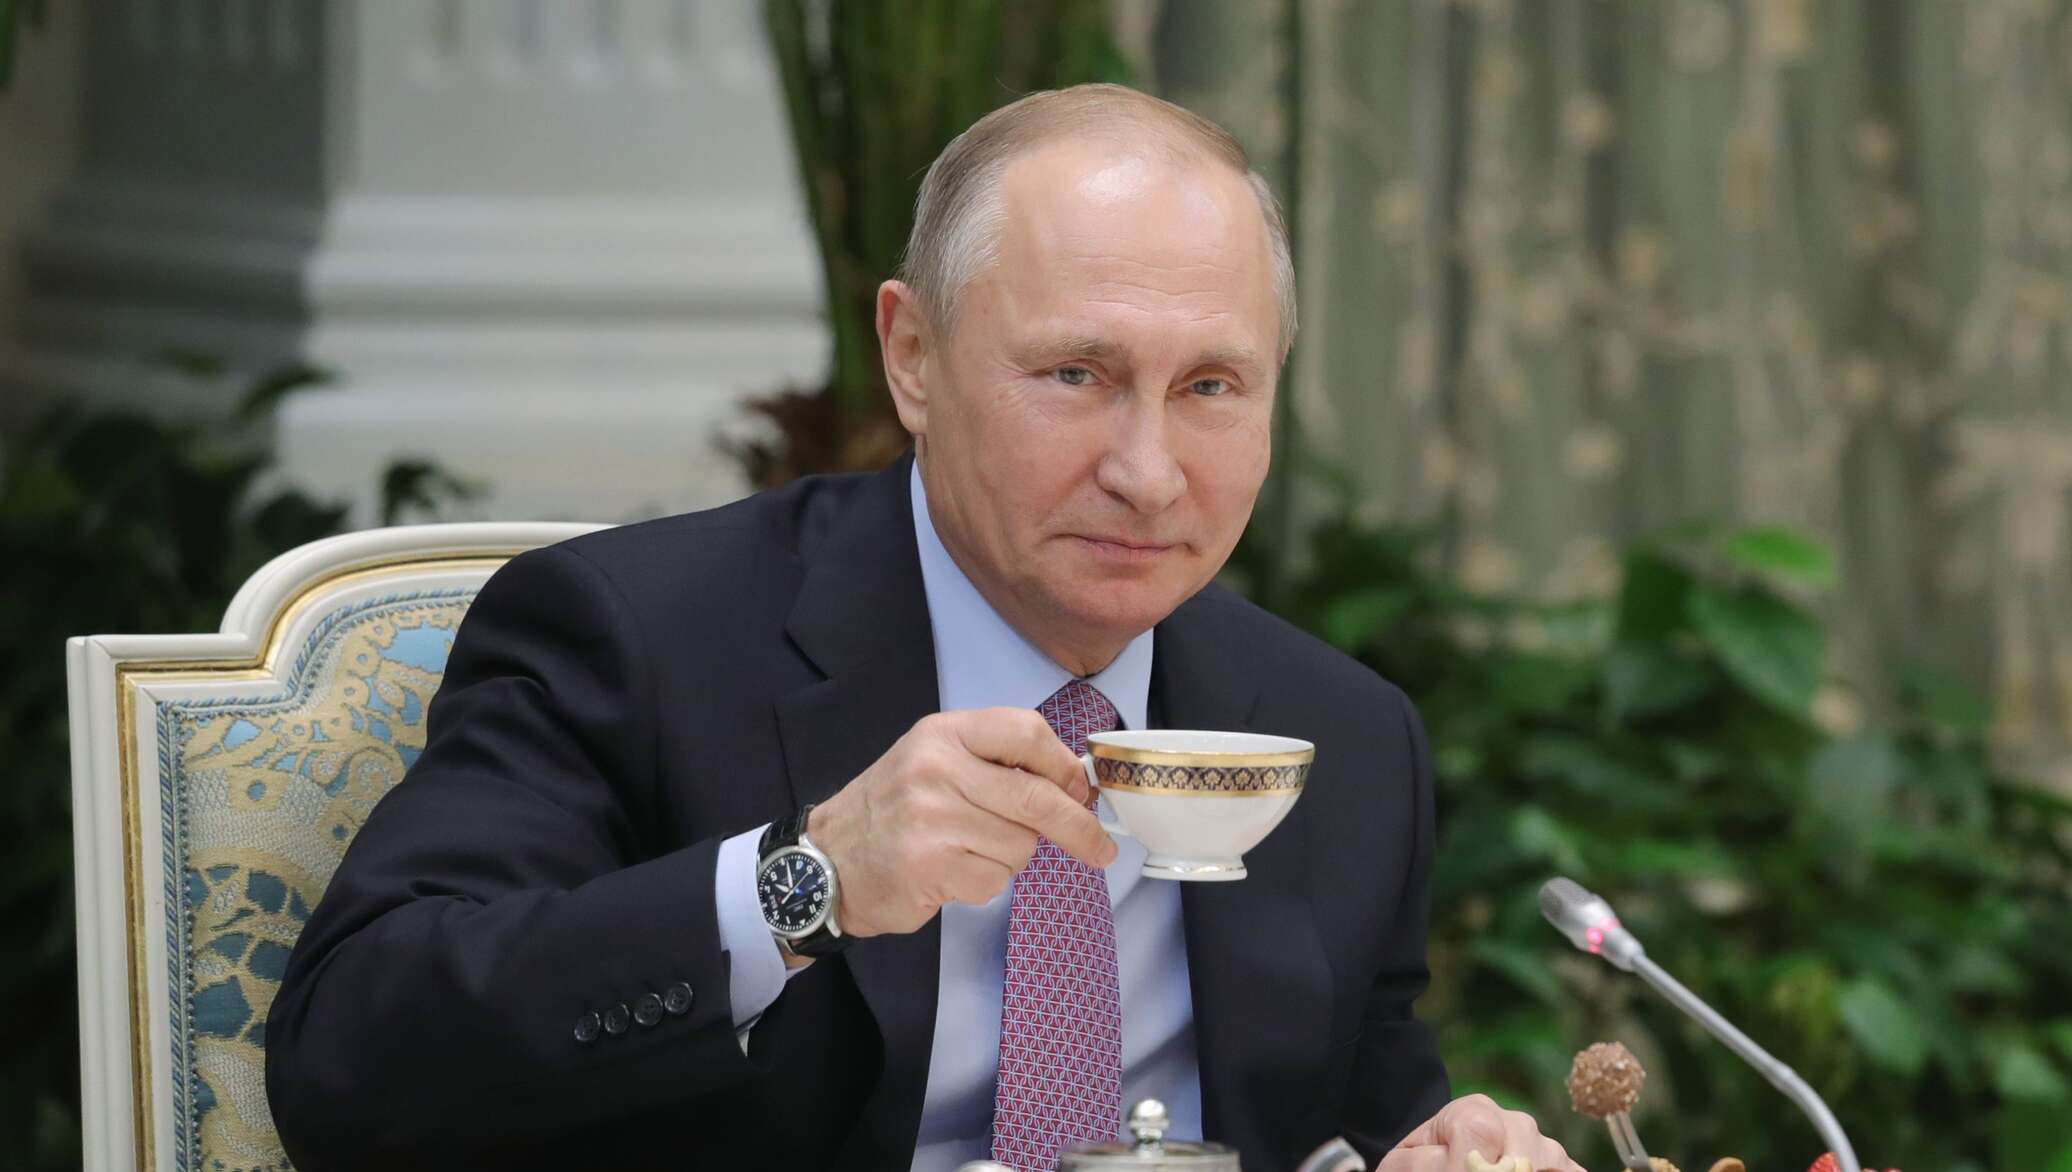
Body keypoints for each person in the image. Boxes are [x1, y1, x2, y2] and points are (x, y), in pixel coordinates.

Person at [265, 83, 1581, 1172]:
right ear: (913, 358)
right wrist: (806, 881)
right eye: (1077, 374)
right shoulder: (637, 639)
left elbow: (1360, 1122)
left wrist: (1440, 1151)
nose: (1149, 473)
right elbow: (353, 1059)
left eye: (1212, 387)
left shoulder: (1338, 736)